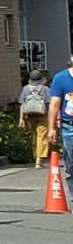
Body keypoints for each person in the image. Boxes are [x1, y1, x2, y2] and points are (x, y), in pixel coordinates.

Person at [48, 62, 73, 190]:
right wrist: (51, 128)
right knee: (71, 166)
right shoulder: (61, 78)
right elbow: (54, 104)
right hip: (69, 128)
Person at [20, 69, 52, 168]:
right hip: (43, 115)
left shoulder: (25, 89)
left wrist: (21, 118)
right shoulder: (45, 89)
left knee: (35, 136)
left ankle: (36, 157)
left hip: (30, 116)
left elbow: (22, 104)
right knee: (42, 137)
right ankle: (39, 160)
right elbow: (49, 104)